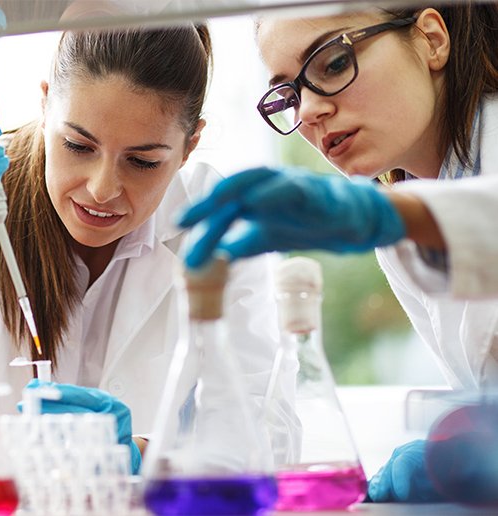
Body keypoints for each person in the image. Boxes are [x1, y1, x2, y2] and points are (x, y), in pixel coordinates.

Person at [0, 25, 298, 475]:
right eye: (78, 145)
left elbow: (268, 436)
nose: (102, 188)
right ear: (46, 103)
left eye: (142, 161)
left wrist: (139, 457)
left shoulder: (219, 229)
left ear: (189, 146)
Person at [177, 2, 498, 503]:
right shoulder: (401, 222)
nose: (307, 111)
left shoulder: (401, 214)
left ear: (432, 40)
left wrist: (397, 217)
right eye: (289, 95)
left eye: (333, 63)